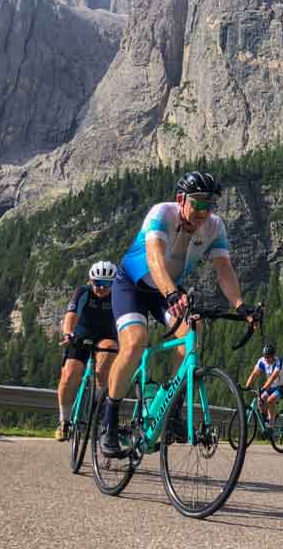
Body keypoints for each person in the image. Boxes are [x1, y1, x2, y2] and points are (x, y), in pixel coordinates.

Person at [98, 171, 256, 457]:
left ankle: (172, 409)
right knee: (135, 341)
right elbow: (154, 259)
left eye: (210, 206)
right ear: (181, 199)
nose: (203, 212)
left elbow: (224, 270)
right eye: (198, 204)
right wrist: (172, 293)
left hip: (167, 289)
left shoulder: (214, 227)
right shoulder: (161, 214)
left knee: (192, 330)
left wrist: (240, 305)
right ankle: (108, 420)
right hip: (133, 285)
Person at [55, 261, 119, 441]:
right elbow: (71, 314)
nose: (100, 287)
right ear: (91, 280)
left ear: (113, 284)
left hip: (106, 336)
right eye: (97, 282)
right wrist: (68, 333)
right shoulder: (83, 292)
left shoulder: (117, 296)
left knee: (108, 353)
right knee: (69, 375)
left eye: (106, 284)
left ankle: (97, 408)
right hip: (81, 335)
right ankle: (64, 421)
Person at [243, 343, 283, 428]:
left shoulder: (278, 362)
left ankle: (271, 423)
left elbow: (273, 377)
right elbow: (254, 374)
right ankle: (266, 421)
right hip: (272, 386)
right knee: (260, 400)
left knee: (270, 400)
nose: (266, 359)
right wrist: (246, 387)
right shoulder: (262, 361)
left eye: (268, 357)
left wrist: (263, 388)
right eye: (265, 357)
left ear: (273, 356)